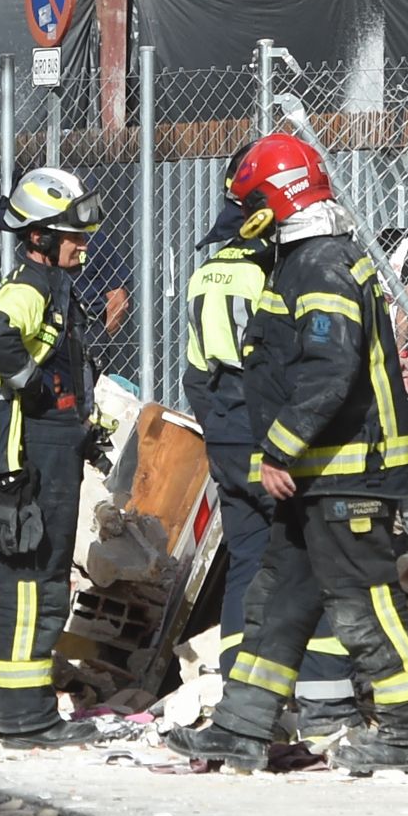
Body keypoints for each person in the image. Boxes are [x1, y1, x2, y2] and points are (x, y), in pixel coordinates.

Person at [168, 133, 408, 777]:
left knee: (363, 598)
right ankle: (241, 726)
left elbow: (331, 368)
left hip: (345, 471)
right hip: (317, 475)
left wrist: (279, 451)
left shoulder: (320, 264)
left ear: (272, 200)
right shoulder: (299, 262)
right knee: (279, 597)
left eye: (250, 202)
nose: (243, 217)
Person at [0, 167, 107, 747]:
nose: (82, 245)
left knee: (21, 590)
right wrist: (35, 388)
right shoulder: (29, 287)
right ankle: (29, 719)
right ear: (39, 238)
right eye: (72, 235)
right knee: (40, 588)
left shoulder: (49, 283)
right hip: (27, 455)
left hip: (35, 450)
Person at [181, 190, 278, 652]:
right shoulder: (268, 275)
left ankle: (233, 664)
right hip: (264, 433)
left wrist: (218, 431)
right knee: (298, 552)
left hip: (224, 432)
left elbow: (195, 374)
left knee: (245, 554)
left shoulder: (204, 275)